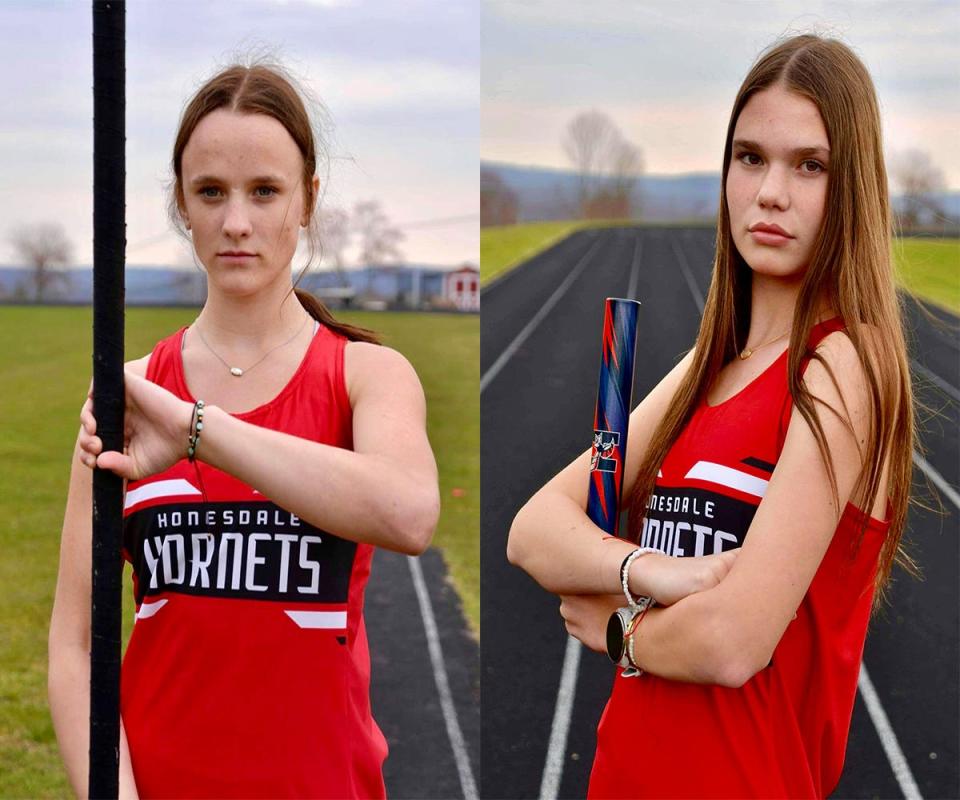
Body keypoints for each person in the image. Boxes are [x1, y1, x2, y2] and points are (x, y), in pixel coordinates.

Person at [508, 33, 918, 799]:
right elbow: (533, 530)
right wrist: (653, 571)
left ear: (852, 187)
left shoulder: (845, 368)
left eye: (810, 166)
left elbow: (733, 642)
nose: (770, 192)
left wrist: (616, 628)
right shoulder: (705, 367)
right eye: (750, 157)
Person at [48, 60, 440, 798]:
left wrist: (197, 432)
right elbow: (76, 645)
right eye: (211, 193)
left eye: (264, 192)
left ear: (307, 201)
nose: (236, 222)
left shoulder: (365, 377)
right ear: (181, 206)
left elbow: (409, 512)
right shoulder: (126, 396)